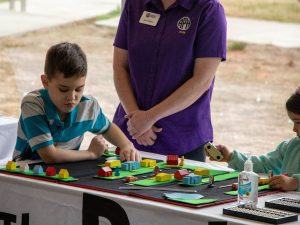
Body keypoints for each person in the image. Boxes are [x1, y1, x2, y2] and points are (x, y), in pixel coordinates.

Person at [113, 0, 227, 161]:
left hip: (182, 141)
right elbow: (119, 67)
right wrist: (136, 118)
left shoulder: (209, 10)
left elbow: (201, 81)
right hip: (131, 136)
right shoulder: (135, 4)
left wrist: (149, 118)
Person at [14, 42, 140, 164]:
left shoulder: (88, 106)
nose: (72, 97)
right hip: (24, 172)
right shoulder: (33, 104)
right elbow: (49, 155)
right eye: (63, 89)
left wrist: (126, 145)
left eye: (79, 89)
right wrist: (91, 153)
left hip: (66, 171)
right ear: (46, 82)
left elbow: (107, 128)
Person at [209, 88, 300, 191]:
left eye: (298, 122)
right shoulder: (290, 147)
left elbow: (294, 182)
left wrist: (295, 182)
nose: (294, 128)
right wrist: (230, 157)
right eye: (293, 122)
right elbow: (263, 164)